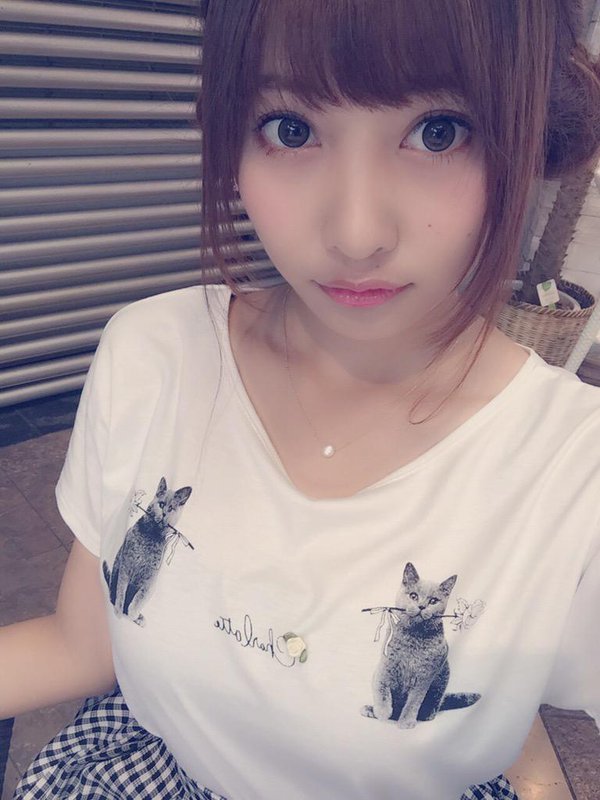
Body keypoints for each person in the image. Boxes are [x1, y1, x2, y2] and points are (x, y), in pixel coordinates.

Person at [2, 2, 600, 799]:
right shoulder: (154, 353)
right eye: (290, 128)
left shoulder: (575, 473)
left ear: (524, 139)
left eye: (439, 131)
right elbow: (83, 645)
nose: (355, 233)